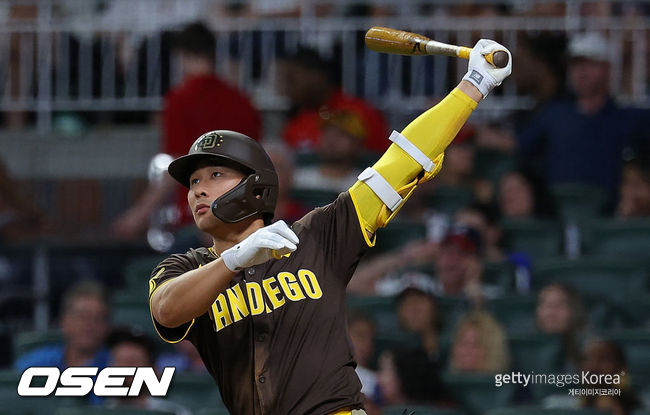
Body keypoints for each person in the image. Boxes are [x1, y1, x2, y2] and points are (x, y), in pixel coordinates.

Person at [147, 39, 512, 414]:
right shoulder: (184, 268)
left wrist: (473, 86)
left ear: (256, 185)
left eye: (216, 174)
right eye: (193, 182)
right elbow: (165, 310)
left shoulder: (317, 235)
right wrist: (232, 261)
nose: (198, 189)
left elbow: (400, 163)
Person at [112, 21, 262, 240]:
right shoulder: (243, 102)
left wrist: (138, 215)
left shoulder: (180, 100)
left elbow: (176, 163)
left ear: (180, 55)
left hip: (198, 219)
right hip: (243, 218)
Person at [517, 32, 649, 209]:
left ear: (607, 68)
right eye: (575, 65)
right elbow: (520, 146)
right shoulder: (553, 114)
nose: (581, 71)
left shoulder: (628, 118)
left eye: (589, 63)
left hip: (610, 214)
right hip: (559, 212)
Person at [279, 46, 389, 154]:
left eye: (291, 80)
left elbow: (383, 158)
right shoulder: (295, 123)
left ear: (315, 76)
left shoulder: (361, 112)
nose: (285, 89)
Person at [14, 281, 110, 405]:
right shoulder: (34, 364)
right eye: (82, 317)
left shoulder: (115, 367)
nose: (90, 326)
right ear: (64, 321)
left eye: (98, 318)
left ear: (108, 326)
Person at [105, 327, 191, 415]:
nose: (124, 369)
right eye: (119, 361)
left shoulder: (173, 413)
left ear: (154, 371)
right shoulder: (99, 410)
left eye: (131, 362)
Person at [535, 283, 586, 370]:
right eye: (546, 306)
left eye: (558, 306)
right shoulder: (525, 353)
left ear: (574, 311)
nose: (550, 313)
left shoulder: (590, 350)